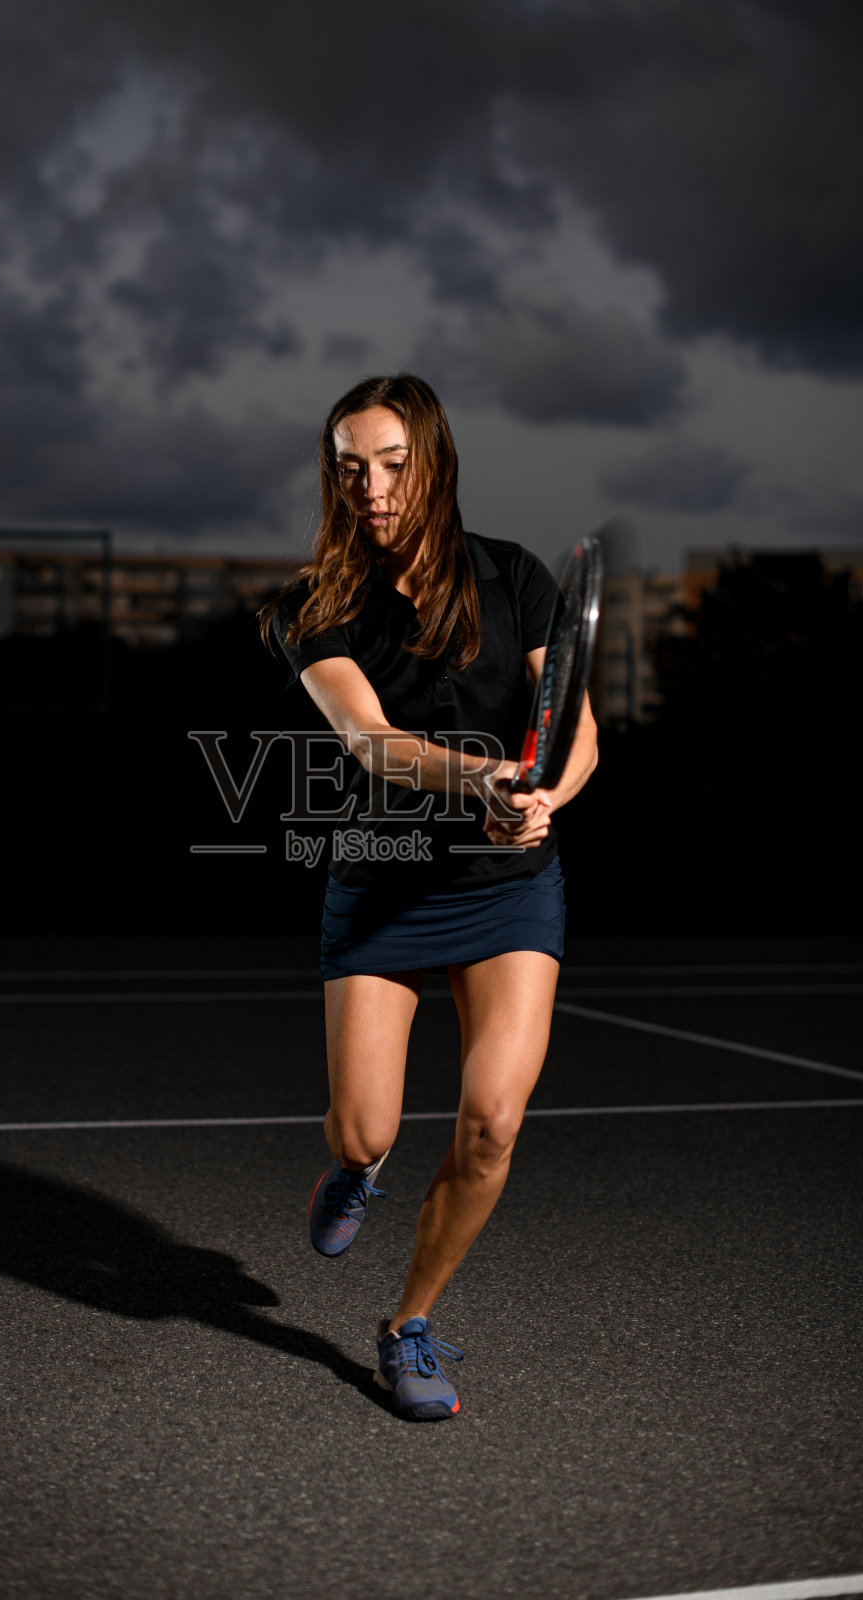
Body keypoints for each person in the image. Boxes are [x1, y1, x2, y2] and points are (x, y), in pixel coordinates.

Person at [261, 374, 598, 1421]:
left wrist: (543, 798)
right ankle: (353, 1170)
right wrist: (481, 778)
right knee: (364, 1129)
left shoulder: (515, 578)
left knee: (491, 1123)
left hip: (508, 889)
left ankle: (405, 1323)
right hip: (383, 882)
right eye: (350, 465)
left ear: (433, 460)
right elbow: (369, 741)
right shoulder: (309, 603)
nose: (372, 485)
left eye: (394, 463)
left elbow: (576, 728)